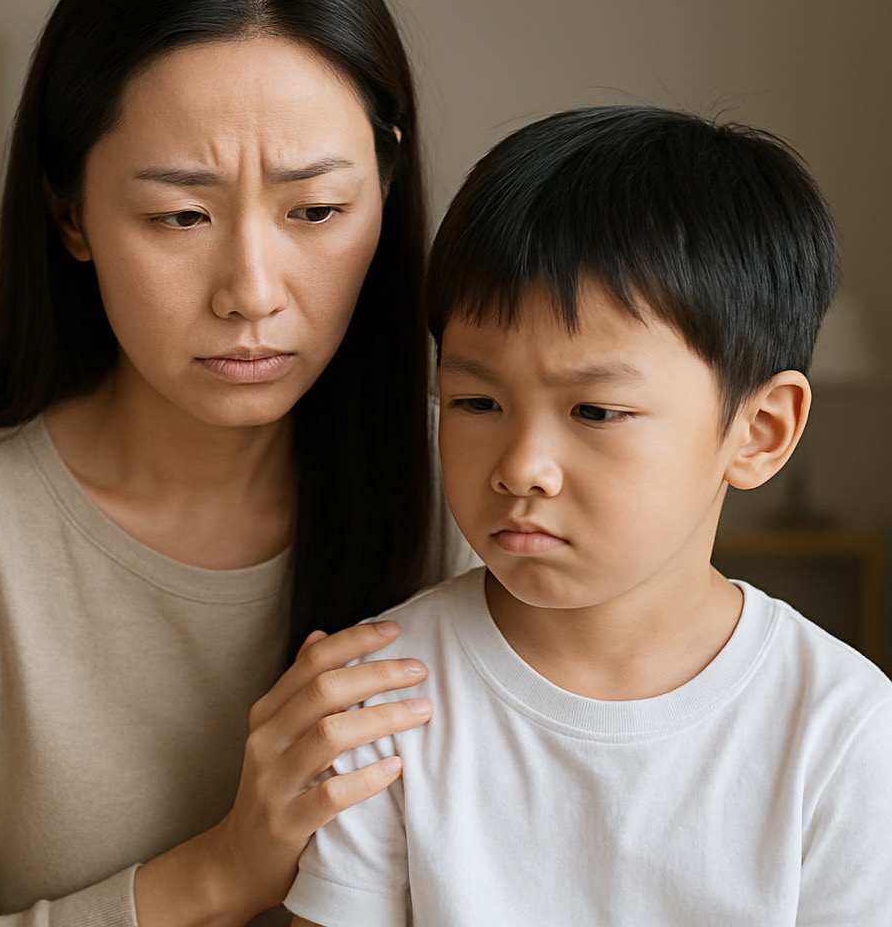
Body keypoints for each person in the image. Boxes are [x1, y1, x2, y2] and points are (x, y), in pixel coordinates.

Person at [0, 0, 477, 926]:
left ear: (386, 184)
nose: (252, 292)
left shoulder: (476, 477)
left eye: (316, 211)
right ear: (70, 211)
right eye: (179, 215)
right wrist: (224, 869)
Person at [285, 106, 892, 927]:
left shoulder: (840, 730)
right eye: (476, 401)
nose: (520, 467)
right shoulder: (382, 695)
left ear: (758, 432)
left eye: (596, 411)